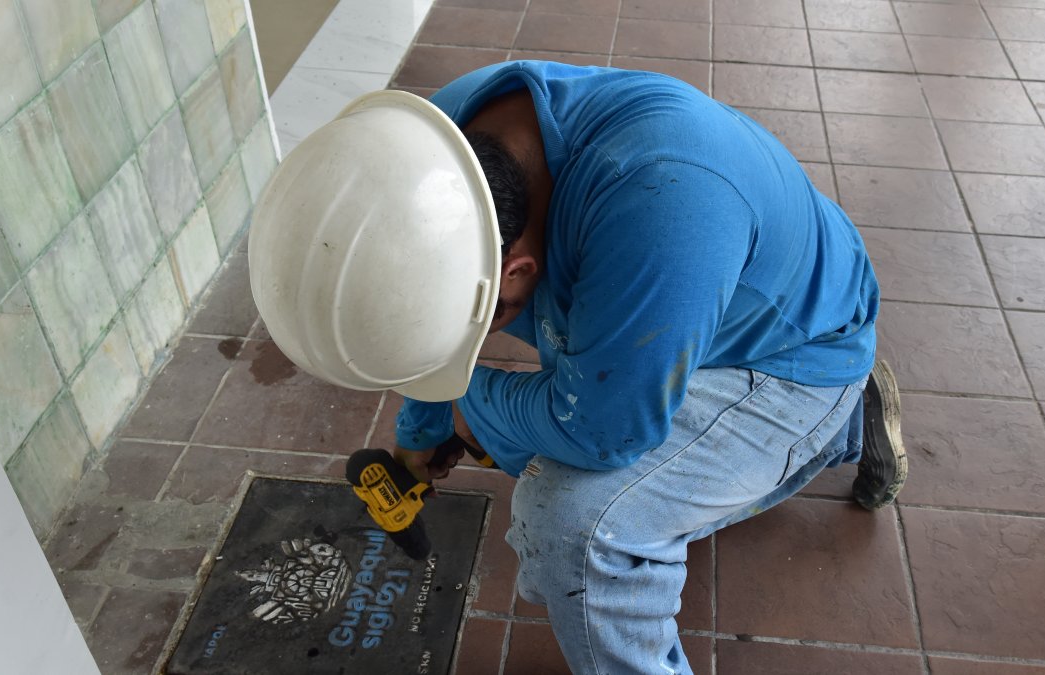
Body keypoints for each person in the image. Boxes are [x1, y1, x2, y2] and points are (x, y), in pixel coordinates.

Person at [249, 61, 906, 675]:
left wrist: (474, 403)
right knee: (543, 414)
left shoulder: (657, 204)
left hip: (796, 352)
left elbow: (606, 432)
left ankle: (834, 413)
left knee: (575, 523)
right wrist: (421, 425)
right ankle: (832, 423)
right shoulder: (430, 155)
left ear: (519, 270)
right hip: (694, 297)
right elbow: (415, 309)